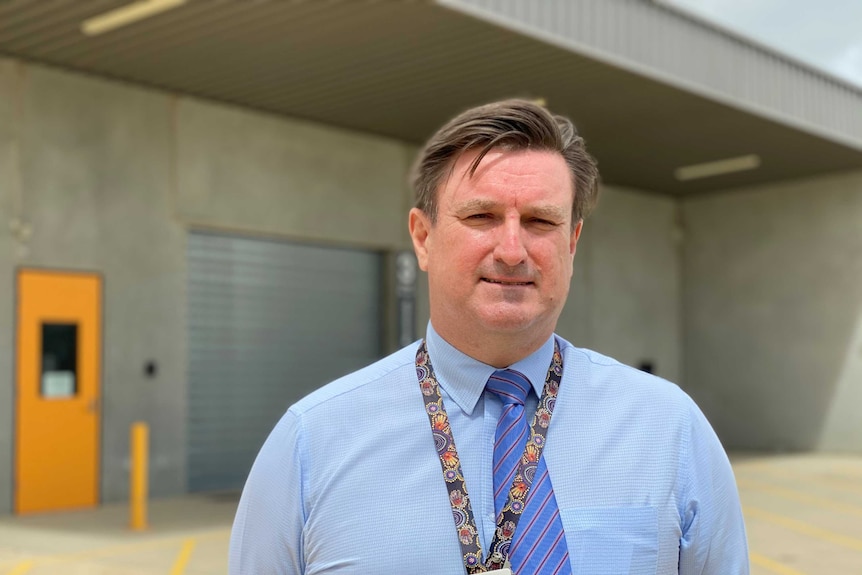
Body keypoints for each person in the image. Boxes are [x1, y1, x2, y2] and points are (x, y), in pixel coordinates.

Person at [229, 99, 749, 574]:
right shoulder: (311, 444)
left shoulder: (669, 430)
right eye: (482, 216)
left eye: (541, 221)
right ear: (423, 237)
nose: (512, 249)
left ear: (572, 243)